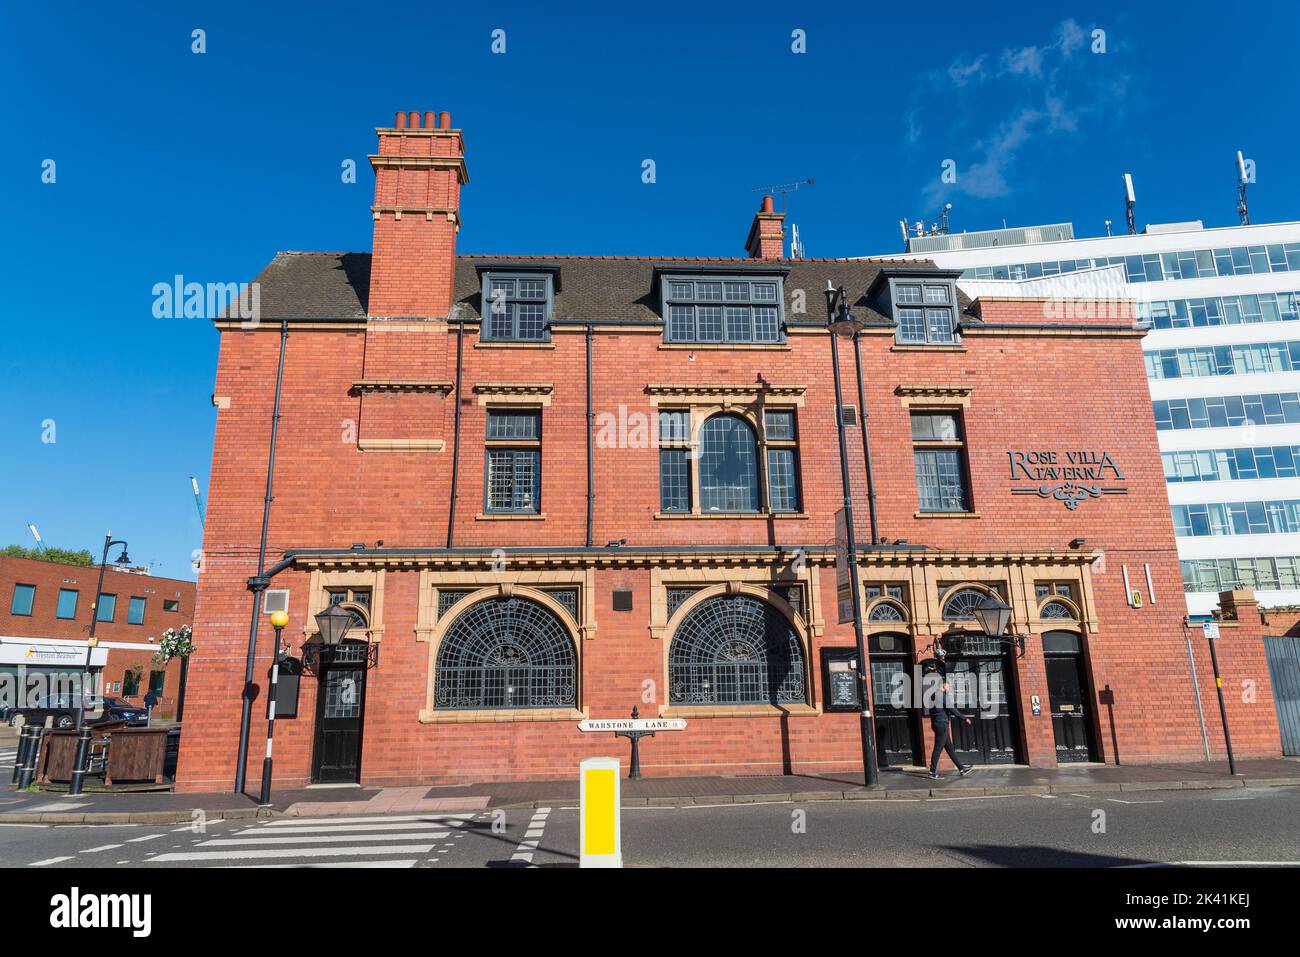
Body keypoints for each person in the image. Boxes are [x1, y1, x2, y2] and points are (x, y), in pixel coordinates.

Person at [925, 679, 974, 779]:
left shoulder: (932, 695)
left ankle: (961, 769)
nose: (949, 689)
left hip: (937, 723)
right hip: (942, 724)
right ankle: (932, 772)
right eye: (948, 687)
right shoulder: (941, 695)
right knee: (937, 749)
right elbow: (951, 708)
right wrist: (964, 718)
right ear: (943, 686)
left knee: (950, 749)